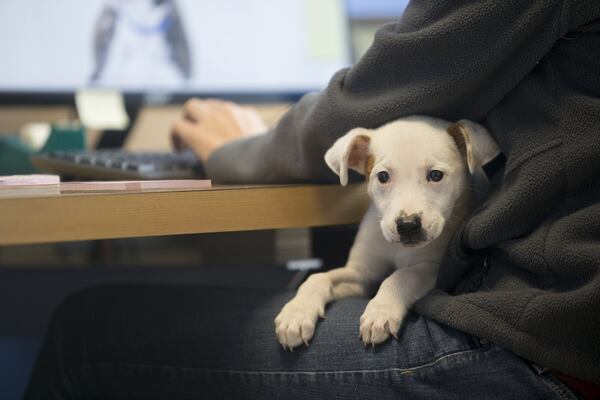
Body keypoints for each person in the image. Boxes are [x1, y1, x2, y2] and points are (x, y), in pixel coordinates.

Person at [25, 0, 600, 398]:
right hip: (558, 330)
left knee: (83, 330)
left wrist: (233, 150)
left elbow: (370, 98)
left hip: (540, 349)